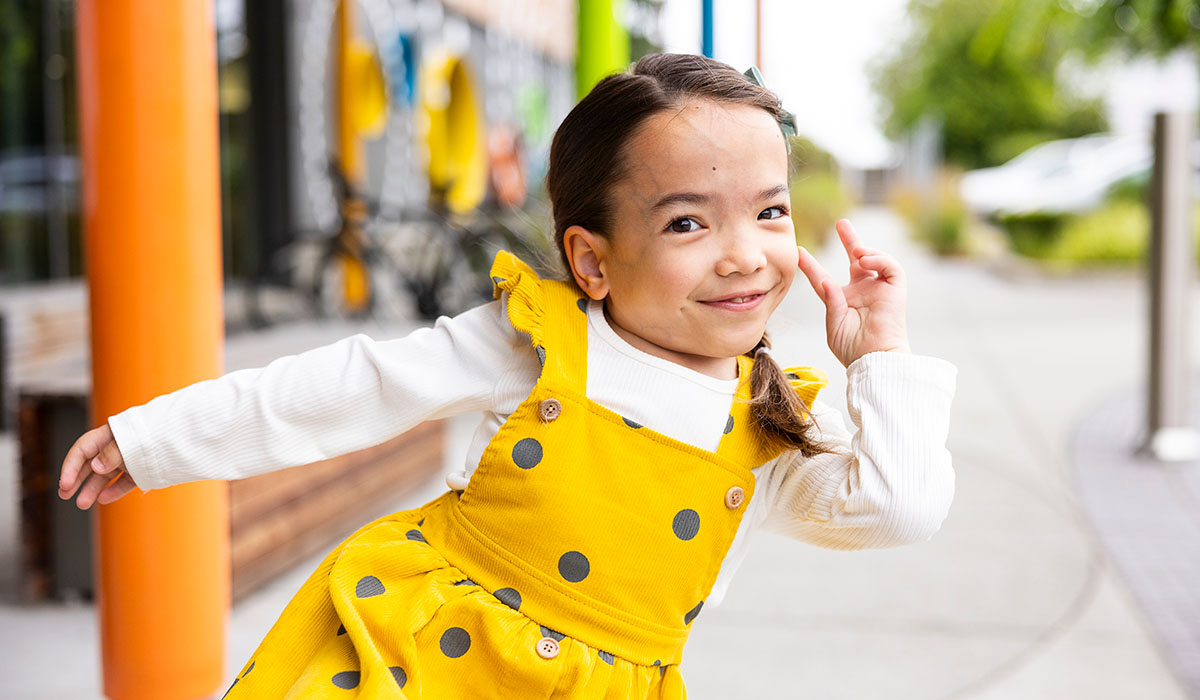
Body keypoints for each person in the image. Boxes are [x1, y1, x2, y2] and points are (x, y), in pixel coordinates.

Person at [58, 53, 956, 699]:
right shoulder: (540, 341)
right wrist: (156, 439)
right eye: (688, 223)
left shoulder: (767, 423)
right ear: (592, 260)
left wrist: (880, 359)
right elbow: (353, 387)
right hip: (420, 662)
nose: (743, 256)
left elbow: (898, 507)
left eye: (768, 212)